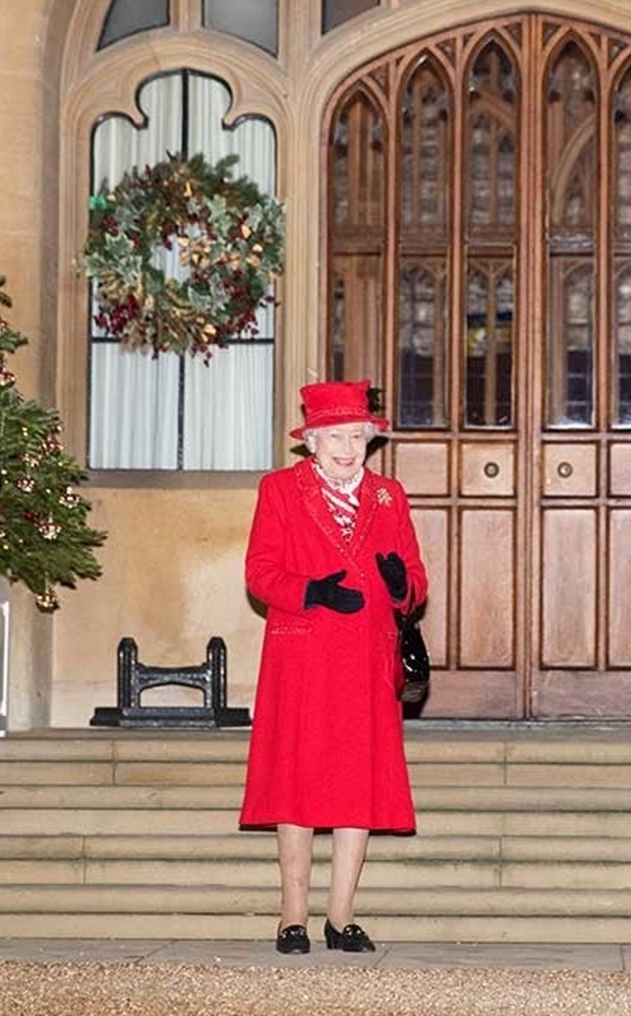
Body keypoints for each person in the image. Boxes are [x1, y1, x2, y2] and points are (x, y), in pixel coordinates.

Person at [239, 380, 427, 955]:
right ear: (312, 441)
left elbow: (416, 580)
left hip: (367, 662)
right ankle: (292, 917)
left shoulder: (389, 496)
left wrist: (401, 585)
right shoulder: (280, 490)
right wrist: (311, 591)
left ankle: (341, 918)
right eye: (336, 437)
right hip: (303, 660)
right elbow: (260, 572)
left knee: (357, 788)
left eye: (357, 437)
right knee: (295, 784)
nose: (348, 449)